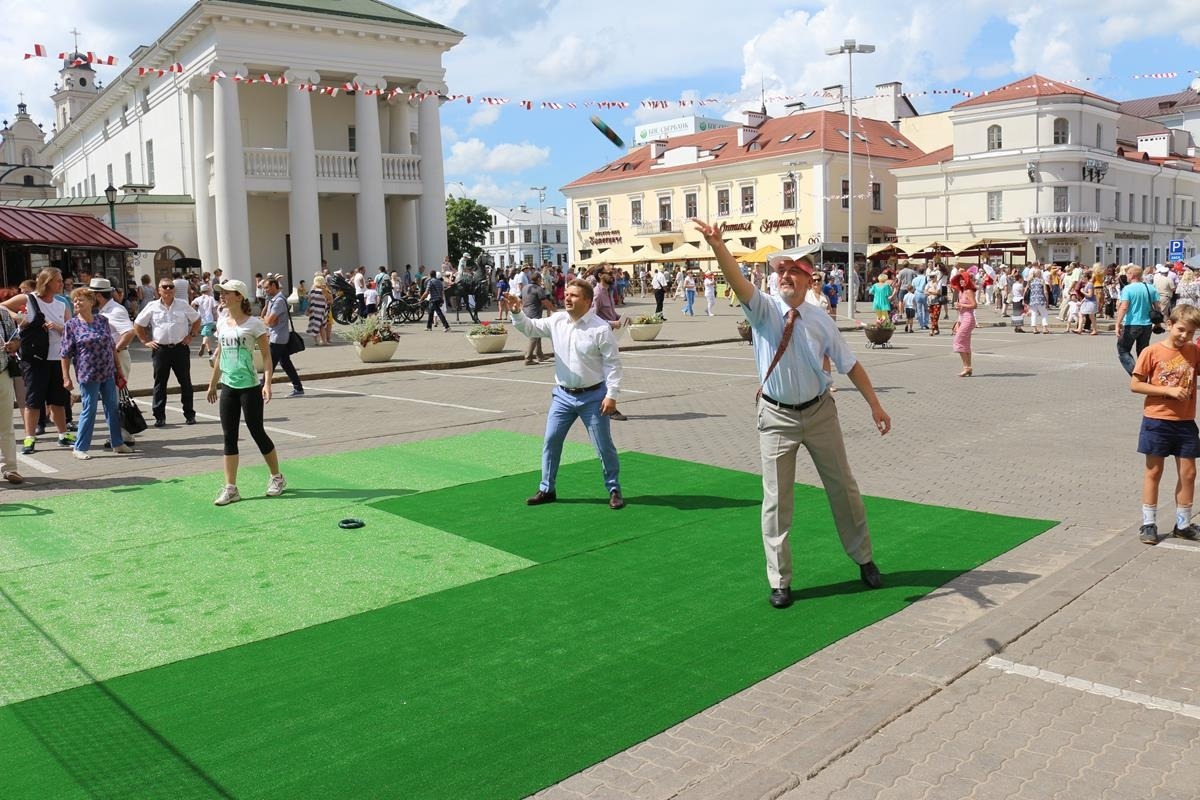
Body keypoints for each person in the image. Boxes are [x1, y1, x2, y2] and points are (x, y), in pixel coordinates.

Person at [693, 218, 890, 609]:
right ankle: (779, 580)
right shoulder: (763, 309)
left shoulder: (821, 319)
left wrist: (875, 405)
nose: (783, 275)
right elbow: (737, 281)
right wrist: (718, 246)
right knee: (777, 501)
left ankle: (864, 558)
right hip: (777, 418)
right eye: (779, 270)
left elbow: (850, 364)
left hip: (820, 413)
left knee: (844, 489)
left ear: (807, 278)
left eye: (792, 271)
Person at [502, 279, 626, 510]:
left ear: (587, 301)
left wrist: (612, 395)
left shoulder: (600, 329)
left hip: (593, 397)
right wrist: (517, 312)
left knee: (603, 445)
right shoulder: (557, 320)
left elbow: (613, 364)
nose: (567, 298)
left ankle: (614, 489)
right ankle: (547, 489)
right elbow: (530, 328)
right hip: (563, 396)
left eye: (574, 295)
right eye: (567, 294)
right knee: (551, 440)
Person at [206, 280, 286, 506]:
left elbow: (267, 356)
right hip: (228, 387)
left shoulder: (254, 324)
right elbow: (220, 355)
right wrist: (212, 384)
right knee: (229, 436)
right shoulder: (222, 322)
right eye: (221, 293)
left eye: (227, 293)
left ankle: (277, 477)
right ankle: (231, 488)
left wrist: (267, 383)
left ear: (239, 296)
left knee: (257, 431)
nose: (222, 296)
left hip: (249, 387)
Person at [1130, 304, 1200, 545]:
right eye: (1181, 329)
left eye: (1191, 332)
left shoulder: (1193, 351)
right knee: (1154, 471)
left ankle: (1183, 524)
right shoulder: (1151, 351)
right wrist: (1168, 391)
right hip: (1157, 420)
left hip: (1185, 421)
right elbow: (1136, 384)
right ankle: (1148, 523)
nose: (1185, 336)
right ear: (1169, 325)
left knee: (1189, 473)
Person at [1, 268, 74, 454]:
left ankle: (63, 434)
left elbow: (71, 330)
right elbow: (2, 306)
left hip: (57, 358)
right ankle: (29, 438)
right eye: (58, 280)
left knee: (58, 400)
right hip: (34, 359)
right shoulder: (29, 299)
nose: (61, 284)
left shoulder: (61, 304)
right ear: (47, 282)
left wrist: (57, 327)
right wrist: (17, 317)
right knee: (33, 400)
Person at [60, 287, 132, 460]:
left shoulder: (102, 320)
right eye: (75, 300)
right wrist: (66, 377)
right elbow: (65, 354)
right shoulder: (72, 325)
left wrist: (118, 368)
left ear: (91, 302)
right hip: (88, 373)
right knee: (89, 409)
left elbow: (111, 346)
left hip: (108, 371)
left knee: (112, 407)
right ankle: (80, 447)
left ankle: (117, 443)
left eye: (80, 299)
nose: (76, 303)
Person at [133, 277, 201, 427]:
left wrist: (192, 335)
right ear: (159, 290)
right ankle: (159, 416)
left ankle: (189, 414)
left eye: (171, 286)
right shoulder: (152, 306)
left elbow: (196, 319)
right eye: (164, 287)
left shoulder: (182, 304)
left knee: (185, 382)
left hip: (180, 348)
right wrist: (145, 341)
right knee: (160, 384)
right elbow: (138, 324)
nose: (168, 289)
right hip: (161, 350)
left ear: (174, 290)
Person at [263, 277, 303, 397]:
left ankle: (260, 388)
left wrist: (266, 319)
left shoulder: (279, 301)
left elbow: (269, 321)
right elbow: (269, 319)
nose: (265, 290)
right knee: (285, 363)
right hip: (278, 336)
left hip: (278, 338)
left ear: (274, 286)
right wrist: (268, 319)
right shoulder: (273, 300)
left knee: (269, 364)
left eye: (267, 287)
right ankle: (298, 387)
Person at [1116, 265, 1159, 376]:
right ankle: (1145, 374)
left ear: (1132, 275)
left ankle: (1136, 374)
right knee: (1142, 352)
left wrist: (1117, 324)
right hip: (1147, 324)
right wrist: (1158, 323)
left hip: (1132, 324)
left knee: (1123, 350)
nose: (1126, 276)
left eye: (1128, 273)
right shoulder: (1150, 288)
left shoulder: (1127, 289)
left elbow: (1124, 307)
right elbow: (1157, 307)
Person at [0, 305, 24, 483]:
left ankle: (10, 468)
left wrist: (13, 345)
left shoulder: (2, 313)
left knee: (6, 425)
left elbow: (15, 339)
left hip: (2, 374)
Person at [520, 272, 555, 366]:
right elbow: (544, 301)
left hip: (526, 312)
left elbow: (520, 299)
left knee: (538, 333)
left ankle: (540, 355)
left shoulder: (525, 287)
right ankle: (528, 358)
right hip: (534, 313)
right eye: (541, 279)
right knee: (534, 335)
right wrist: (554, 310)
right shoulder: (538, 289)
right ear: (539, 279)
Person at [950, 271, 977, 376]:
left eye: (963, 279)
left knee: (958, 341)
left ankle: (967, 367)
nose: (961, 281)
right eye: (959, 280)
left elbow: (974, 305)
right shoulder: (962, 291)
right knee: (965, 343)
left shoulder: (968, 291)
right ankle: (968, 367)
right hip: (962, 318)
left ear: (967, 280)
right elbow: (961, 309)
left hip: (968, 319)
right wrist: (958, 321)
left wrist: (961, 305)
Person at [192, 284, 219, 359]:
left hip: (200, 320)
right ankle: (203, 344)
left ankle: (209, 351)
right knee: (206, 335)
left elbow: (192, 304)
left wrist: (194, 311)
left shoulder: (198, 299)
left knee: (205, 335)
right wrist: (217, 316)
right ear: (208, 291)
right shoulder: (211, 298)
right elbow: (216, 307)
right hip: (209, 319)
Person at [307, 275, 331, 345]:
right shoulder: (325, 290)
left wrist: (308, 309)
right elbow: (329, 299)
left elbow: (309, 301)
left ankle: (316, 341)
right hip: (322, 311)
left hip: (313, 311)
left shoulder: (312, 291)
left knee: (314, 325)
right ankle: (324, 341)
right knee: (322, 326)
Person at [1026, 267, 1050, 334]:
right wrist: (1047, 300)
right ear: (1039, 274)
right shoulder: (1042, 281)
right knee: (1044, 314)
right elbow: (1045, 291)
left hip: (1032, 299)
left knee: (1033, 314)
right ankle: (1045, 328)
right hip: (1041, 299)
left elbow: (1027, 290)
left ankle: (1034, 329)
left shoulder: (1030, 281)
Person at [926, 269, 943, 336]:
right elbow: (925, 291)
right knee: (932, 317)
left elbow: (938, 292)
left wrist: (930, 292)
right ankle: (937, 329)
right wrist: (932, 292)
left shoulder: (939, 283)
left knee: (935, 317)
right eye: (930, 277)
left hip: (937, 302)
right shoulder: (929, 283)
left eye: (933, 276)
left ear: (936, 276)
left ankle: (932, 330)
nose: (932, 278)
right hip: (930, 302)